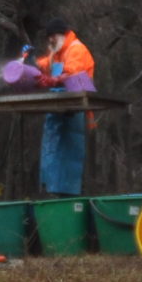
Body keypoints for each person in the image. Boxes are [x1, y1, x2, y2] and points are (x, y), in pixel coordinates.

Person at [28, 18, 95, 196]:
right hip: (59, 106)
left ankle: (70, 196)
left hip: (76, 107)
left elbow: (72, 73)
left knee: (70, 154)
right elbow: (44, 65)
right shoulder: (56, 52)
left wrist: (54, 79)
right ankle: (51, 190)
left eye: (52, 36)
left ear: (62, 34)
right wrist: (30, 63)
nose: (49, 40)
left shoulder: (76, 49)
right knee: (53, 150)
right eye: (48, 37)